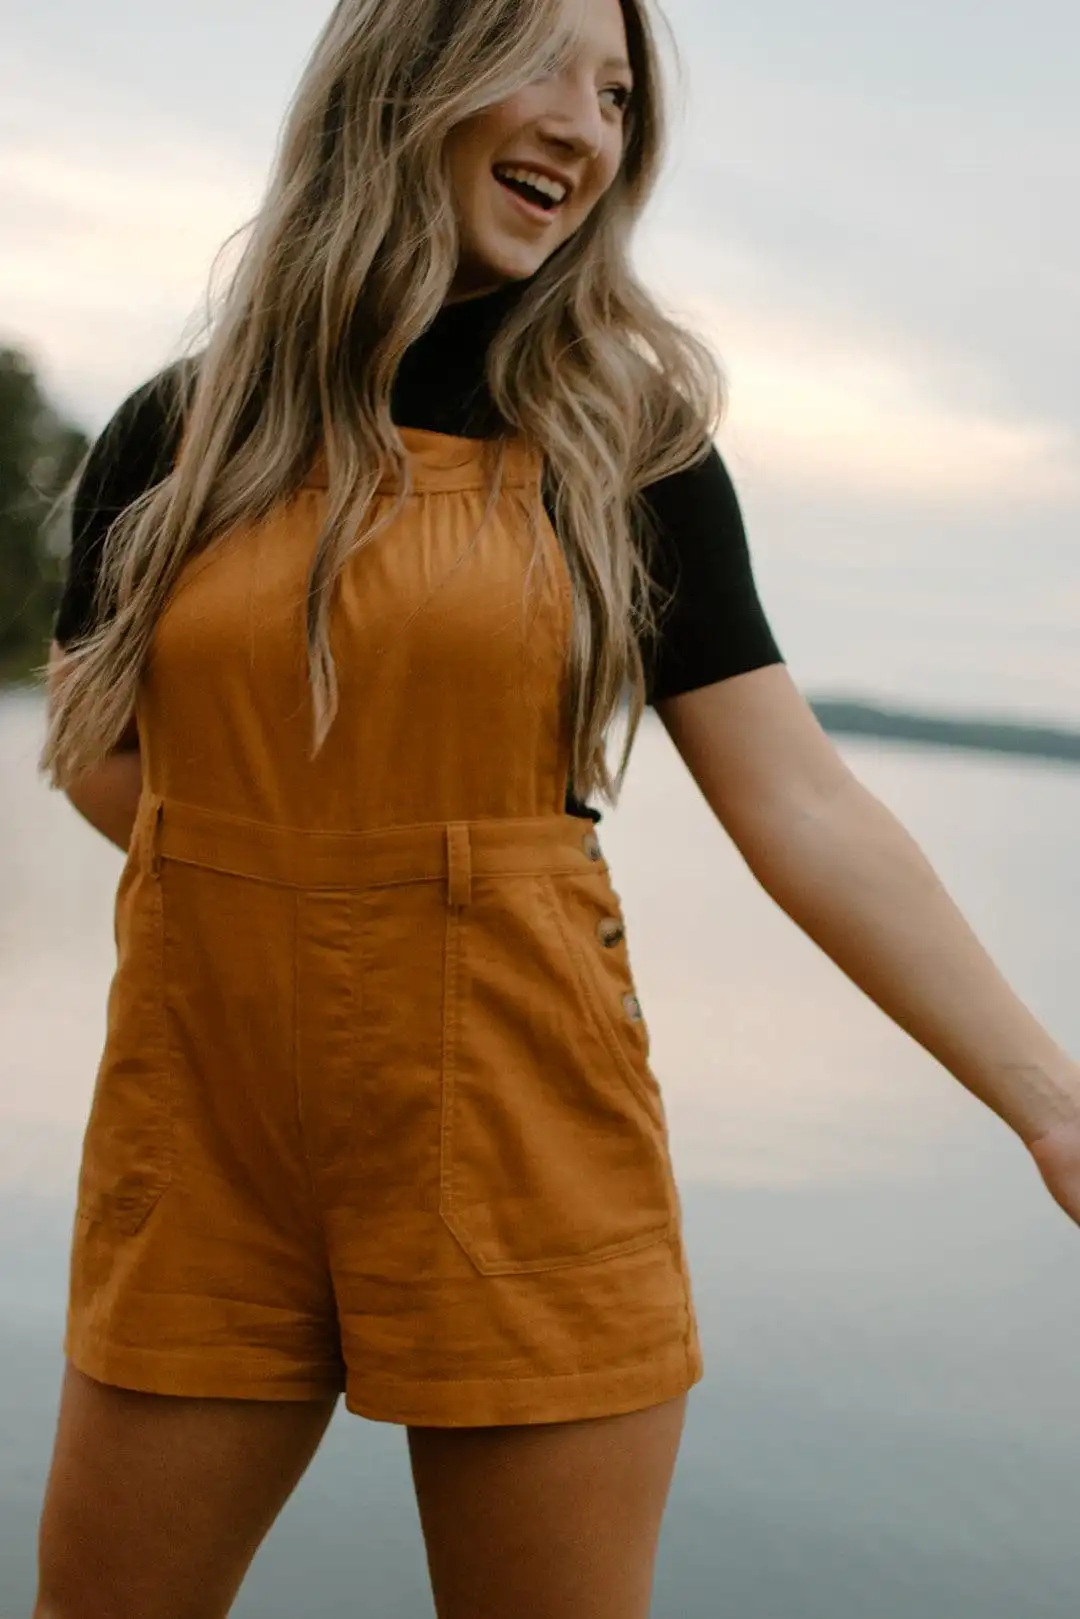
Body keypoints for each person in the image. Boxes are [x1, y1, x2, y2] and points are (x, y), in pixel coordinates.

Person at [33, 0, 1080, 1615]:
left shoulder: (627, 443)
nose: (590, 132)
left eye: (617, 97)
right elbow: (97, 748)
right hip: (200, 1135)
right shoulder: (181, 429)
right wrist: (308, 884)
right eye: (549, 67)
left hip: (520, 1121)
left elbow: (799, 797)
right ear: (408, 70)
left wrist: (1047, 1098)